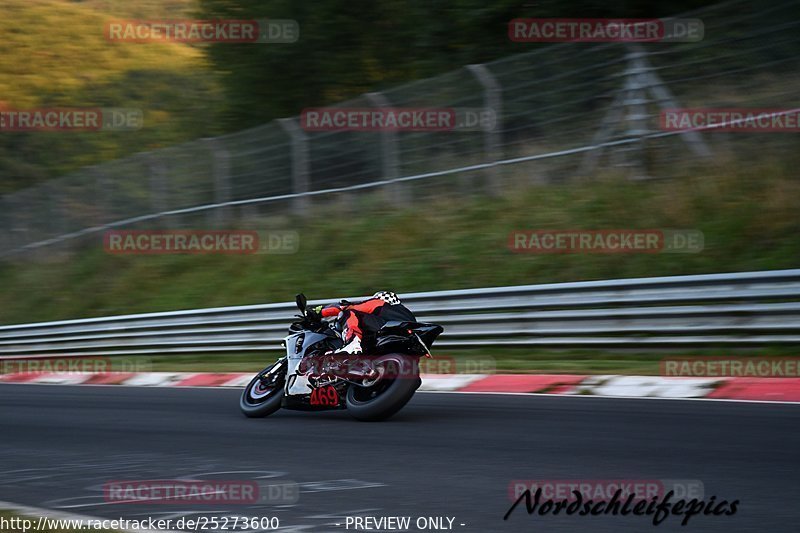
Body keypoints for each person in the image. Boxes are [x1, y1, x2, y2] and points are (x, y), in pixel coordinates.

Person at [308, 291, 415, 355]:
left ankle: (352, 343)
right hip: (408, 342)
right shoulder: (407, 313)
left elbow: (349, 307)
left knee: (349, 312)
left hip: (392, 330)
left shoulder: (380, 303)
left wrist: (319, 312)